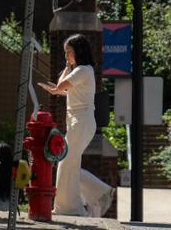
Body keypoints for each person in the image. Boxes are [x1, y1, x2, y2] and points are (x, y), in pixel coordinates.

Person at [38, 33, 114, 218]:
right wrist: (60, 81)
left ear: (78, 51)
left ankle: (73, 206)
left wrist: (57, 87)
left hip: (82, 120)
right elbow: (63, 88)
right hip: (77, 121)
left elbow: (61, 85)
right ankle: (88, 198)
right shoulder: (81, 71)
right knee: (68, 163)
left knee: (66, 163)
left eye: (69, 52)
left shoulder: (83, 70)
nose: (67, 56)